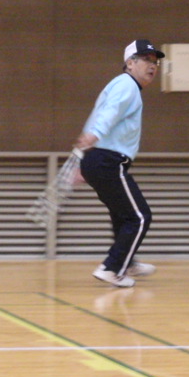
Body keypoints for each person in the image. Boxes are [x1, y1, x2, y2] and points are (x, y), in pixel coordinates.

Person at [75, 39, 165, 288]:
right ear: (130, 63)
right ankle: (112, 268)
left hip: (97, 159)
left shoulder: (119, 85)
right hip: (108, 160)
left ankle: (128, 262)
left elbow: (99, 113)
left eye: (155, 61)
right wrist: (95, 136)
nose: (152, 65)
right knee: (140, 217)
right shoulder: (127, 85)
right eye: (146, 60)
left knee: (122, 215)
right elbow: (109, 113)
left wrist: (84, 158)